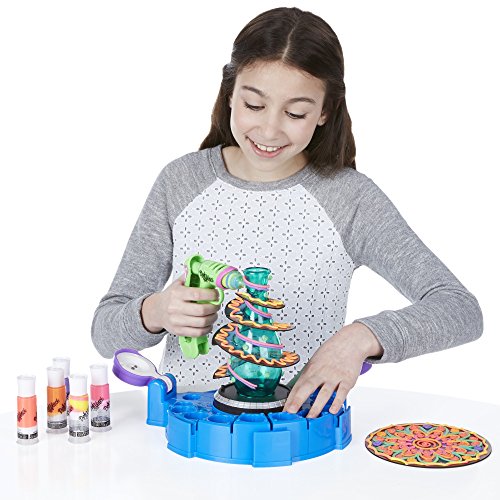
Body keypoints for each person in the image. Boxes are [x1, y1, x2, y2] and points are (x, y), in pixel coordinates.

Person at [91, 7, 483, 418]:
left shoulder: (349, 199)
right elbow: (105, 331)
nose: (269, 130)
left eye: (295, 113)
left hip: (299, 439)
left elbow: (459, 309)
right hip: (184, 432)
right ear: (230, 93)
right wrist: (154, 312)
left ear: (325, 111)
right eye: (253, 104)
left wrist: (361, 337)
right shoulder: (181, 182)